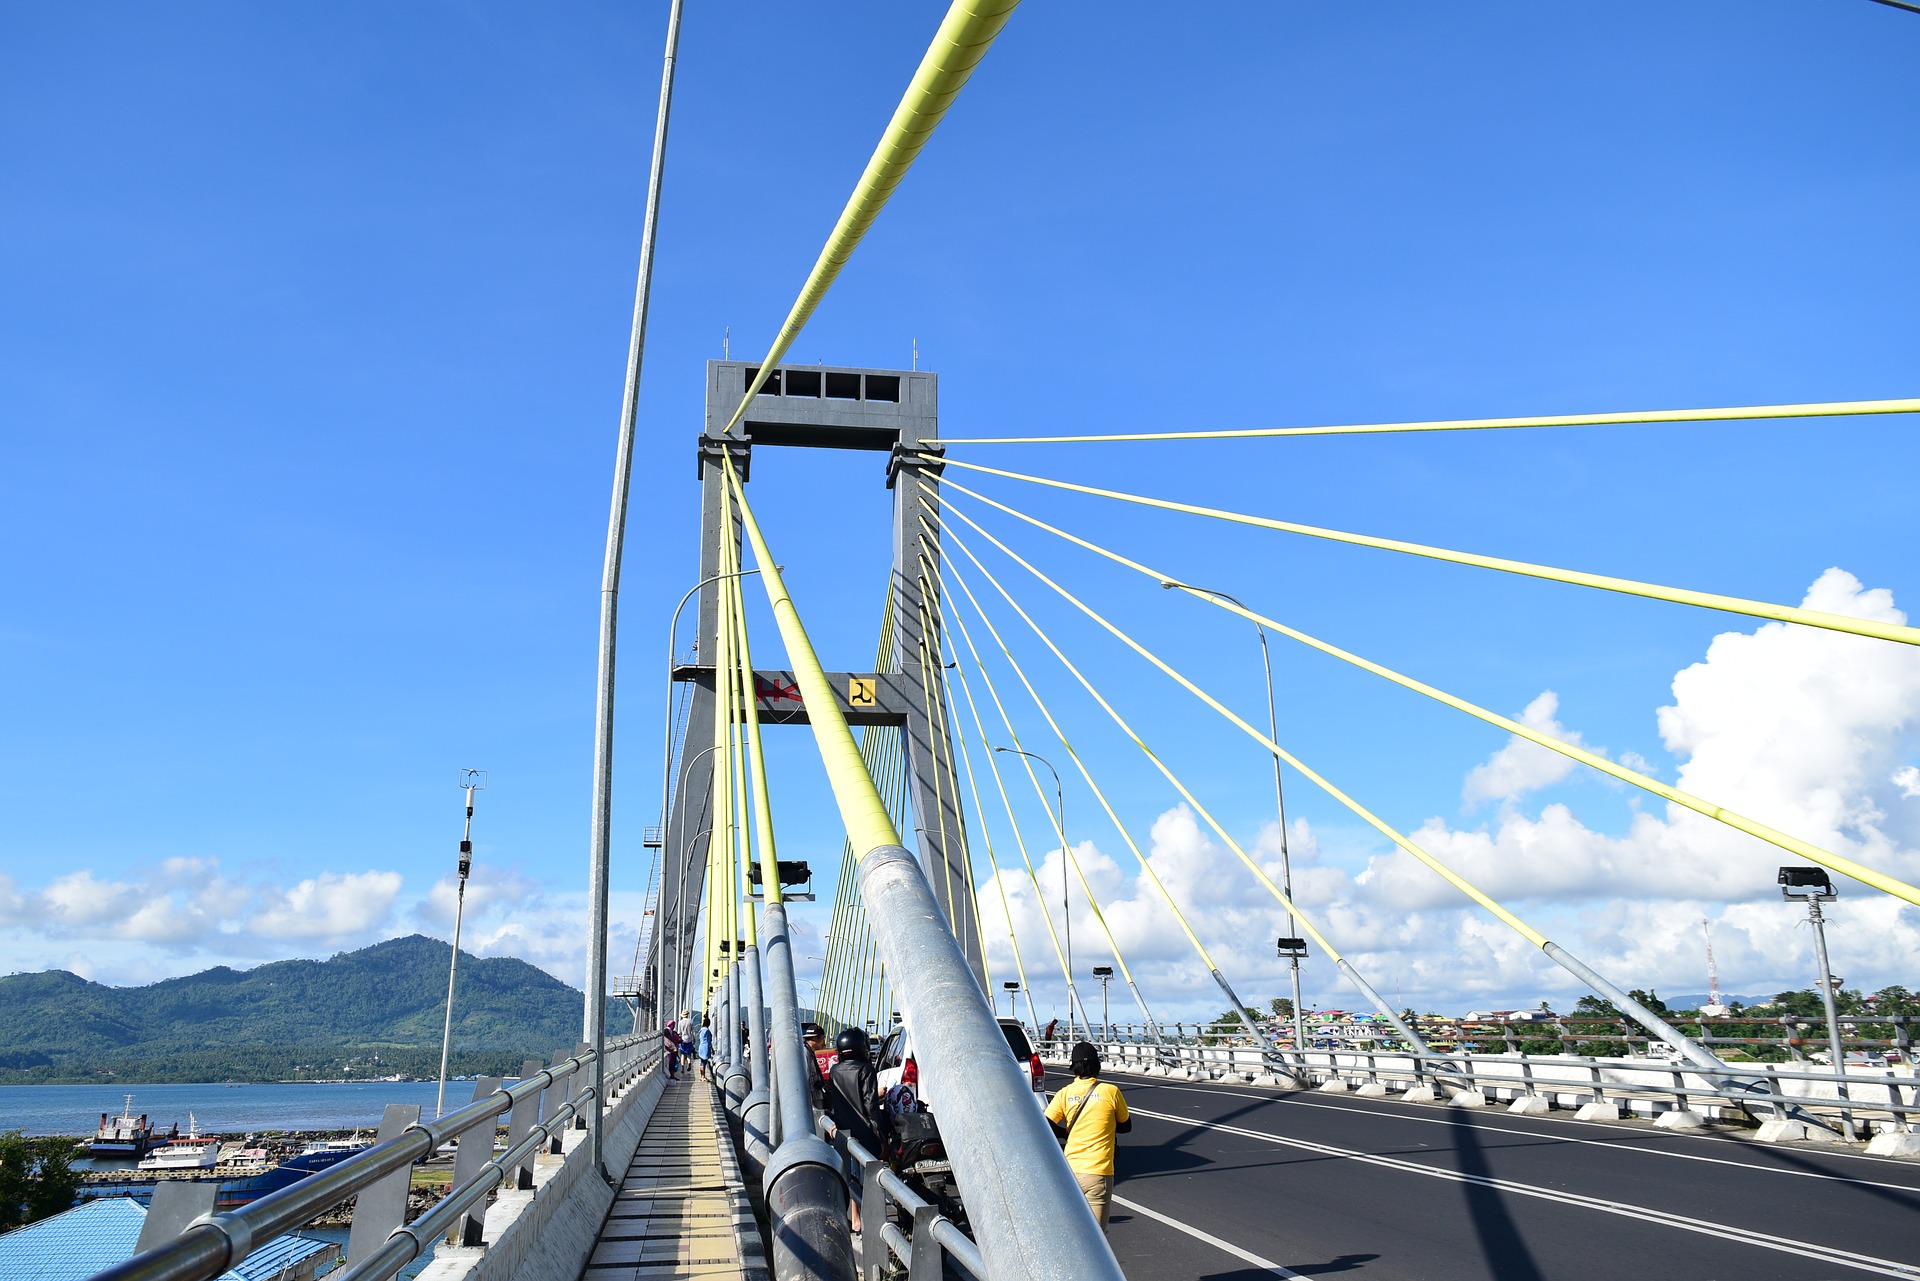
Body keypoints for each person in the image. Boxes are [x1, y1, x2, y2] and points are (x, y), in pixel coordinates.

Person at [1044, 1041, 1130, 1232]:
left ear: (1074, 1066)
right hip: (1098, 1173)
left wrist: (1067, 1133)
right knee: (1097, 1238)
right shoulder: (1110, 1091)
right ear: (1097, 1065)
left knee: (1072, 1234)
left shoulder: (1064, 1094)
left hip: (1069, 1173)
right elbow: (1126, 1126)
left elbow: (1046, 1123)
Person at [826, 1027, 889, 1236]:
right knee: (870, 1180)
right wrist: (881, 1137)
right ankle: (873, 1226)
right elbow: (870, 1106)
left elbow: (838, 1102)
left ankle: (855, 1221)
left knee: (852, 1179)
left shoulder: (835, 1070)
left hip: (844, 1133)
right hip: (865, 1133)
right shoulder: (866, 1070)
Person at [803, 1022, 835, 1108]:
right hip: (812, 1097)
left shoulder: (808, 1052)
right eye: (822, 1038)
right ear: (815, 1038)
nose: (823, 1043)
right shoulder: (805, 1053)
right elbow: (805, 1077)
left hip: (814, 1096)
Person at [696, 1016, 715, 1081]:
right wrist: (711, 1049)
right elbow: (708, 1040)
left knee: (702, 1062)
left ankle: (702, 1076)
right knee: (704, 1062)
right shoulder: (707, 1030)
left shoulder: (701, 1030)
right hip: (705, 1047)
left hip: (701, 1046)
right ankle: (703, 1076)